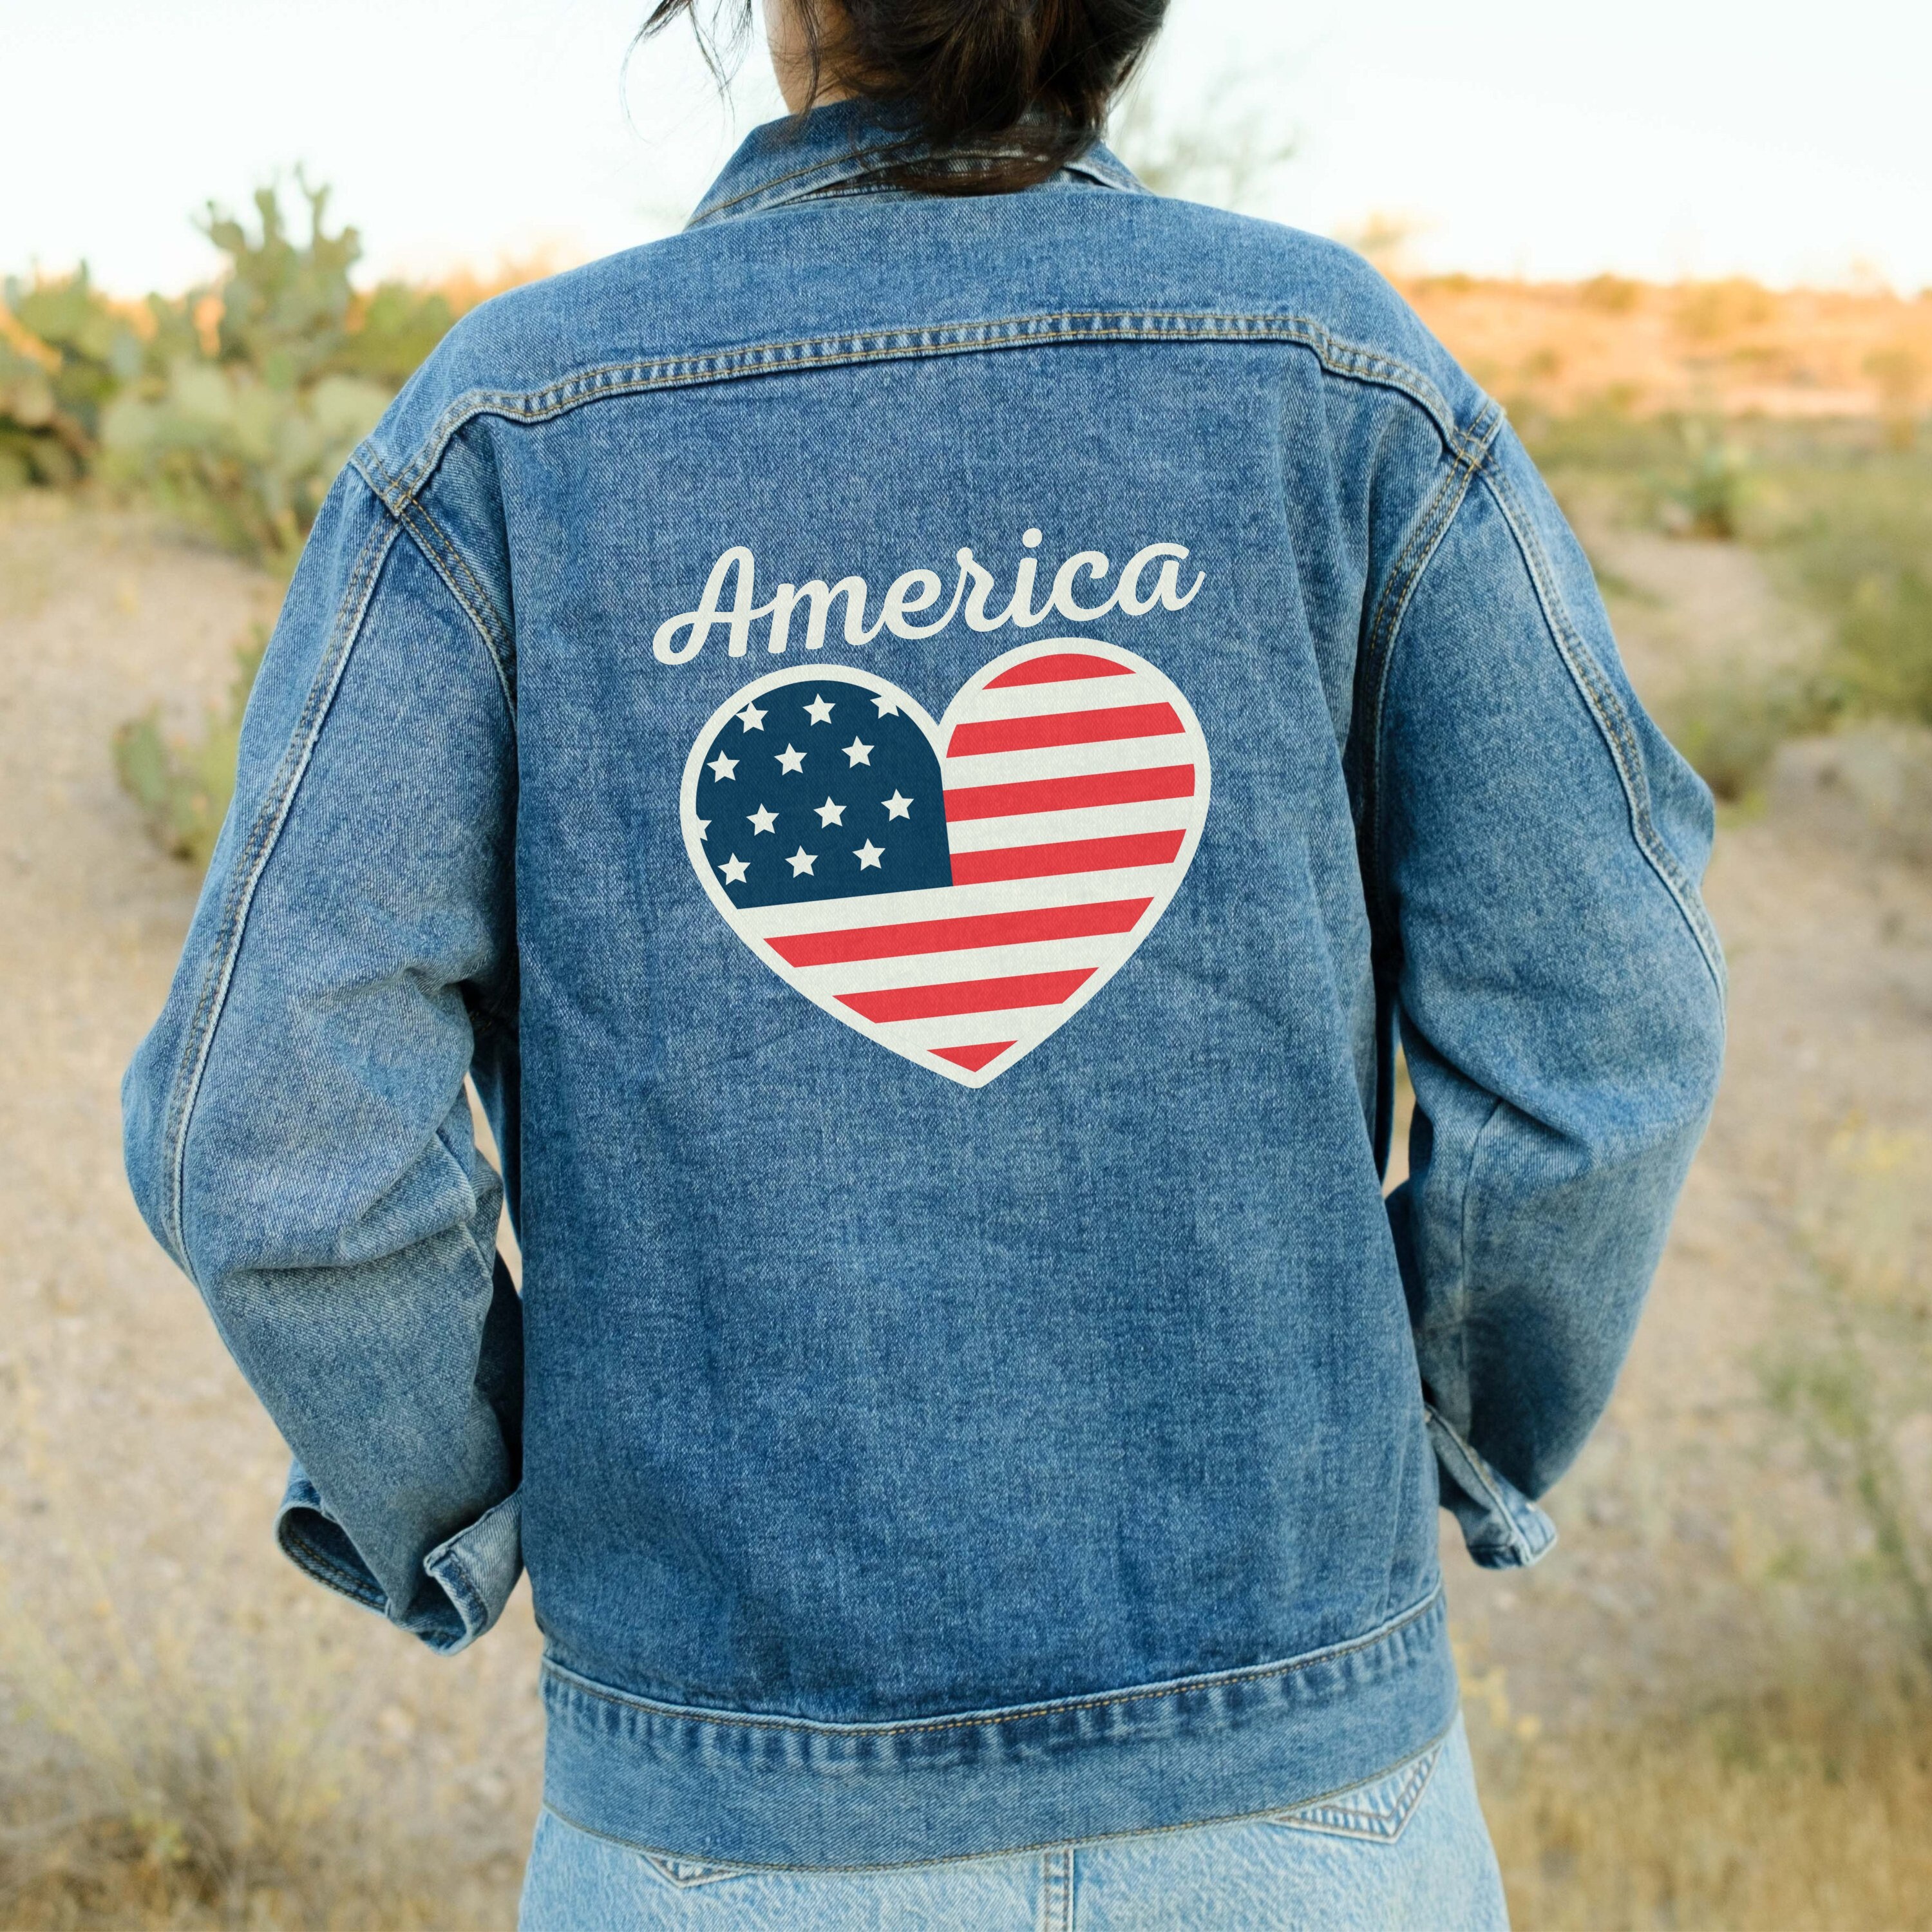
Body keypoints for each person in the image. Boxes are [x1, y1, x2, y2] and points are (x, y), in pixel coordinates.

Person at [122, 0, 1727, 1924]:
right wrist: (1440, 1419)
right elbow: (1601, 1023)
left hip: (723, 1810)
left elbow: (281, 1135)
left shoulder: (509, 427)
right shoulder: (1336, 378)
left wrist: (480, 1497)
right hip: (1305, 1798)